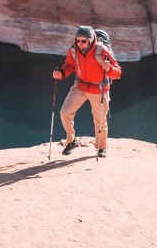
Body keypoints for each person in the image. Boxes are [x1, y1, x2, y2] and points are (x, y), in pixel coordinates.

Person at [52, 26, 122, 158]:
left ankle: (101, 148)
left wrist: (109, 69)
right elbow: (70, 65)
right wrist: (61, 73)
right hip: (81, 86)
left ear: (90, 40)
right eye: (78, 41)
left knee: (99, 120)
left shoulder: (102, 51)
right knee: (65, 113)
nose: (80, 44)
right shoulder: (74, 50)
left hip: (98, 89)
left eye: (83, 41)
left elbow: (118, 72)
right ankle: (72, 141)